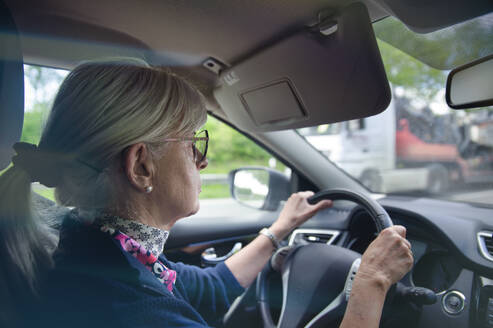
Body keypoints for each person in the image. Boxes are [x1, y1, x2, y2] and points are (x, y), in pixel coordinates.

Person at [0, 59, 413, 328]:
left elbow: (209, 286)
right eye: (193, 144)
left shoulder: (99, 248)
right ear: (142, 165)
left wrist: (281, 227)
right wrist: (372, 283)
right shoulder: (137, 311)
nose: (203, 162)